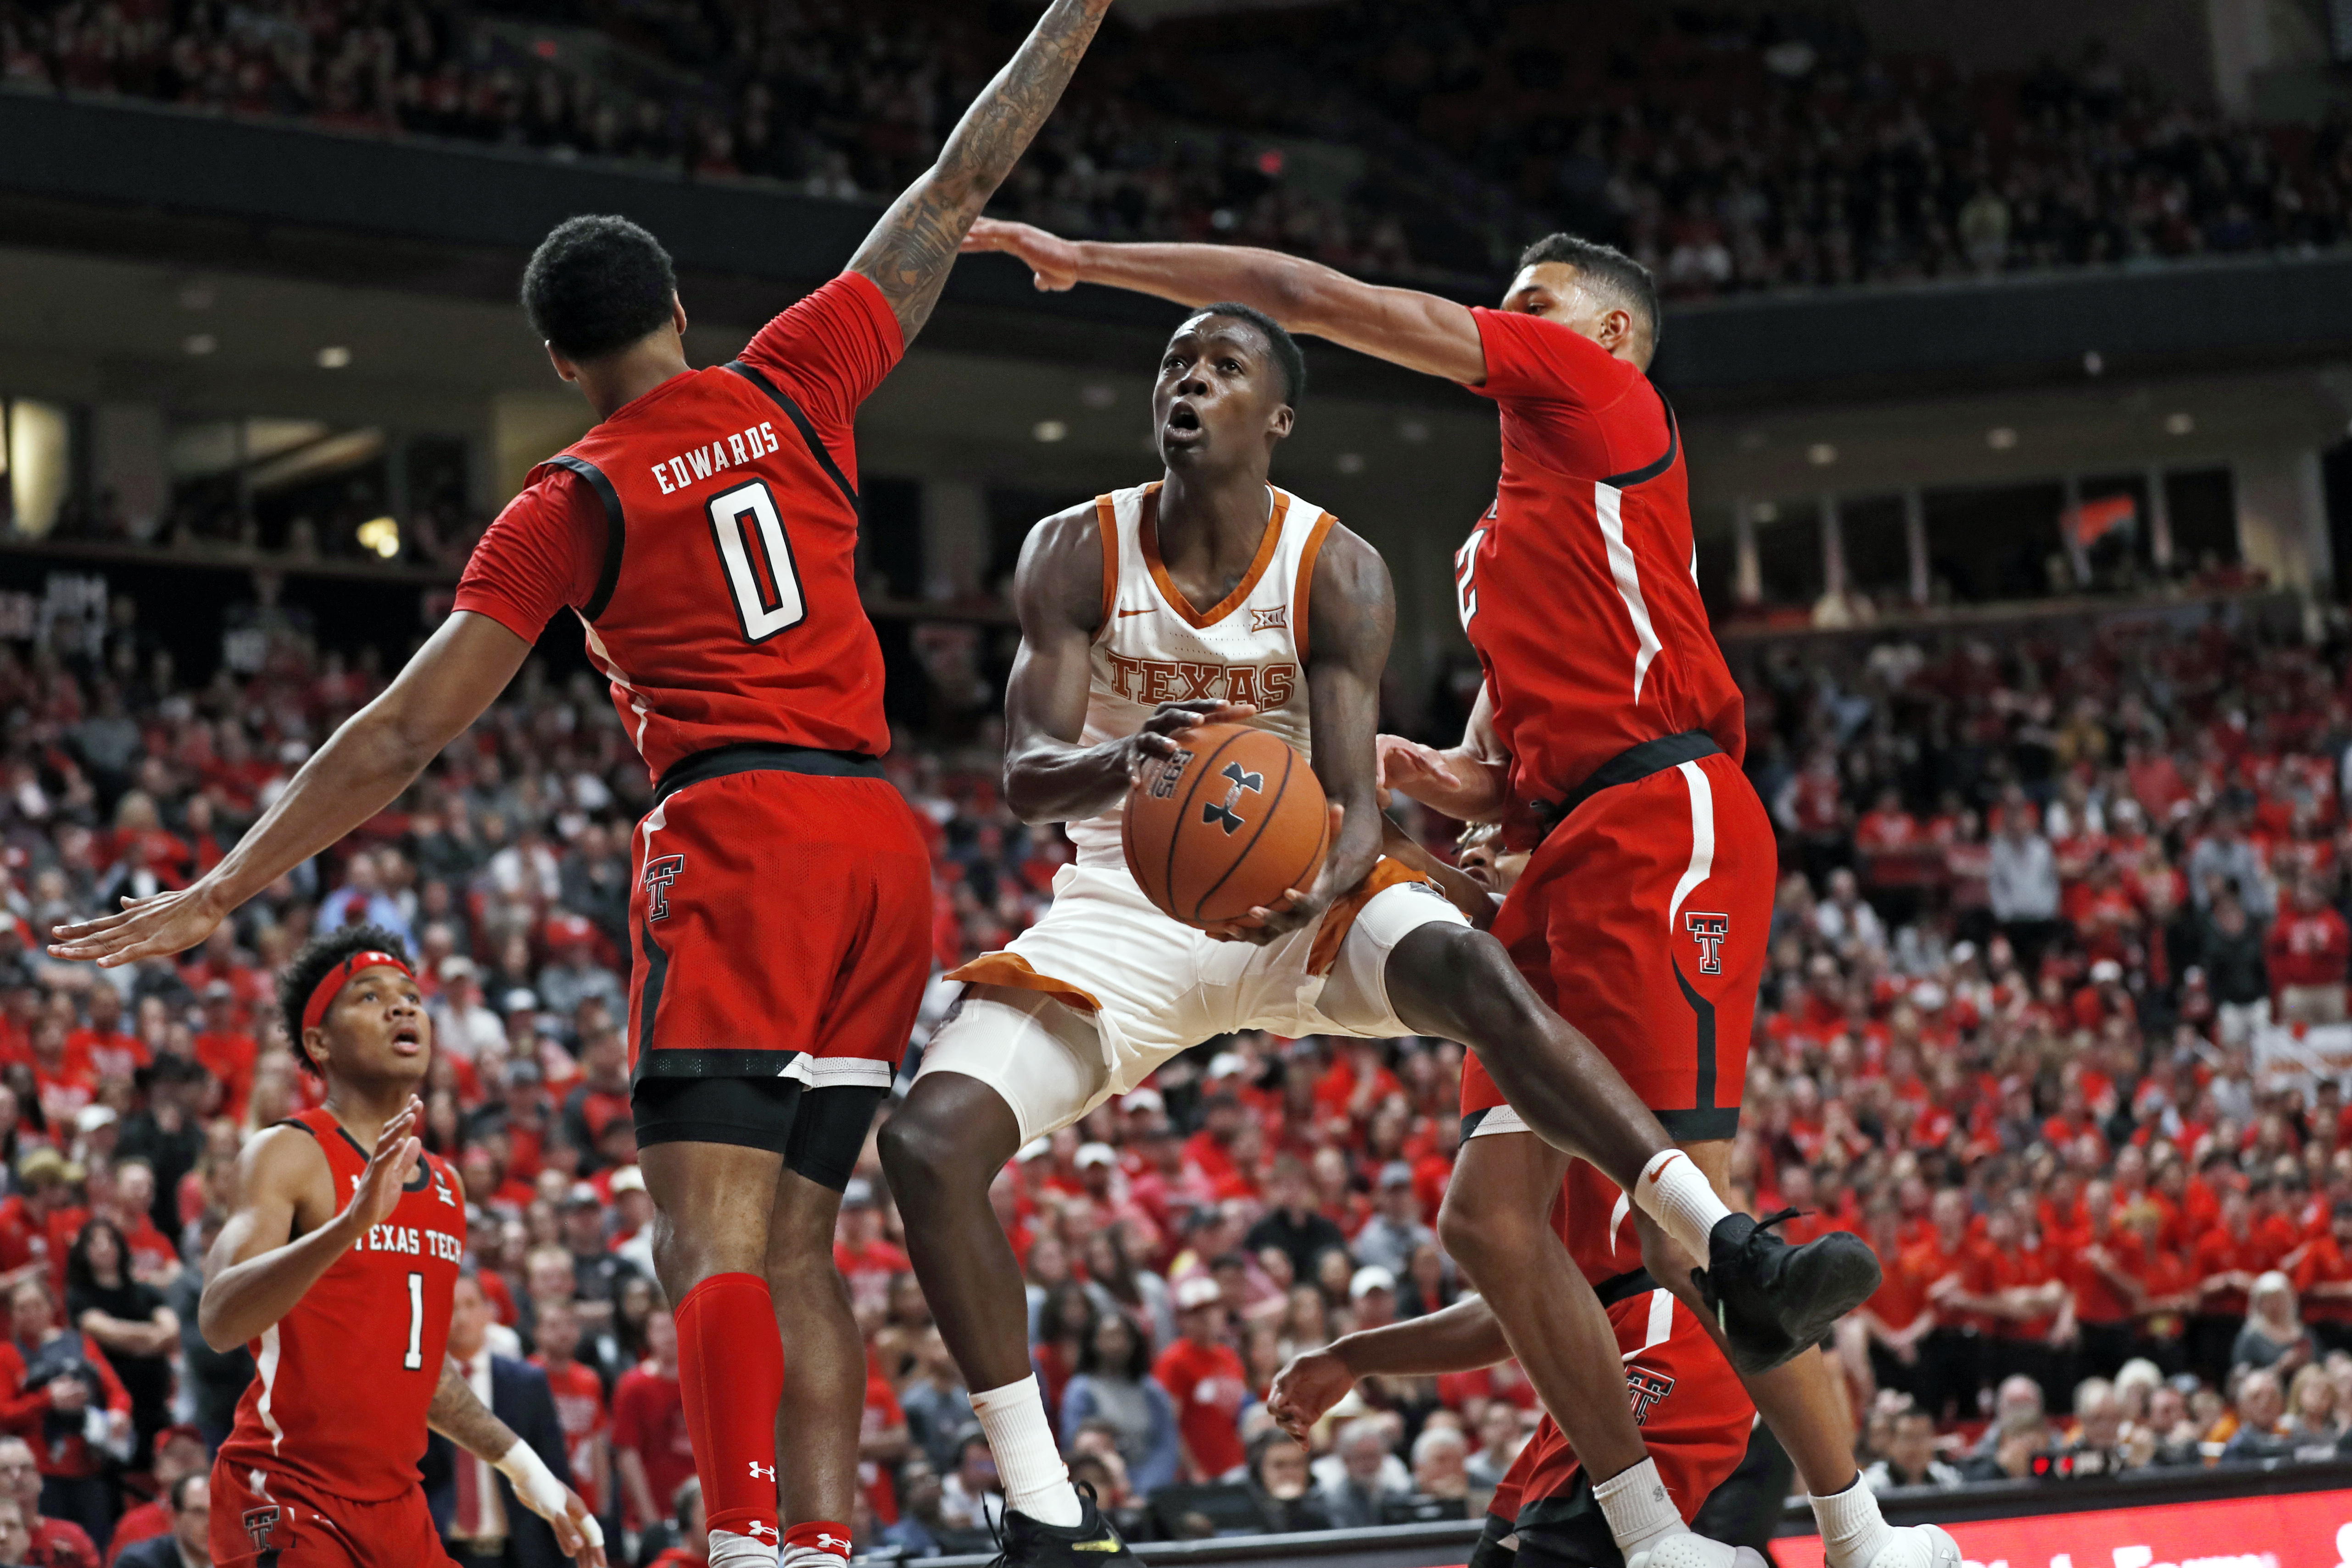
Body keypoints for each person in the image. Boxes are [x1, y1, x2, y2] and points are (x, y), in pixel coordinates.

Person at [46, 1, 1127, 1560]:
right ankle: (815, 1548)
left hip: (741, 829)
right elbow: (954, 186)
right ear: (680, 309)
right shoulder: (794, 377)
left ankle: (749, 1543)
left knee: (711, 1241)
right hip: (882, 845)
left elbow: (402, 735)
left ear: (560, 361)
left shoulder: (570, 498)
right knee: (807, 1246)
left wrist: (224, 885)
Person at [957, 214, 1947, 1568]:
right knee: (1484, 1219)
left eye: (1533, 299)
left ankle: (1865, 1531)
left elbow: (1301, 289)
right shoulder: (1497, 544)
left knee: (1679, 1229)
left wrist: (1091, 261)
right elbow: (1494, 779)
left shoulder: (1602, 396)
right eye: (1506, 298)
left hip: (1664, 814)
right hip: (1563, 842)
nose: (1506, 312)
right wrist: (1423, 773)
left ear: (1601, 336)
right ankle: (1647, 1530)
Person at [121, 927, 597, 1568]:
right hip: (286, 1488)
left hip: (399, 1505)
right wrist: (347, 1224)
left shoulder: (447, 1186)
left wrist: (526, 1469)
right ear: (319, 1043)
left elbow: (417, 1366)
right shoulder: (287, 1150)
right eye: (369, 997)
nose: (402, 1007)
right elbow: (219, 1317)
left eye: (410, 995)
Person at [1268, 1155, 1755, 1568]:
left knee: (1565, 1546)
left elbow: (1482, 1242)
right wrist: (1351, 1357)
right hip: (1595, 1349)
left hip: (1665, 1320)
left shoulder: (1540, 1071)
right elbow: (1517, 1301)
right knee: (1501, 1553)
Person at [424, 1273, 579, 1568]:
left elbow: (554, 1469)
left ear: (490, 1312)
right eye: (451, 1306)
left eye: (471, 1305)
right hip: (442, 1552)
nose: (462, 1316)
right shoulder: (421, 1386)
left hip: (518, 1554)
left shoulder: (527, 1382)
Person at [0, 1278, 129, 1548]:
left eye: (37, 1304)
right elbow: (4, 1413)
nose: (31, 1313)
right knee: (49, 1545)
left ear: (51, 1307)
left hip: (89, 1461)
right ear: (12, 1316)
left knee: (95, 1544)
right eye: (22, 1308)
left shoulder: (80, 1344)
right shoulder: (7, 1355)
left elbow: (117, 1392)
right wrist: (47, 1399)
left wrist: (118, 1415)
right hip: (39, 1472)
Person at [62, 1220, 173, 1470]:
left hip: (155, 1400)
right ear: (83, 1252)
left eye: (110, 1240)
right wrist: (150, 1339)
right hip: (111, 1403)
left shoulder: (146, 1290)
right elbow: (105, 1331)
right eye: (95, 1242)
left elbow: (172, 1331)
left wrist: (134, 1341)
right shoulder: (80, 1295)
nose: (104, 1248)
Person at [1057, 1315, 1179, 1496]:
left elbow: (1166, 1445)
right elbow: (1076, 1446)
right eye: (1107, 1337)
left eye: (1122, 1336)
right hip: (1102, 1490)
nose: (1115, 1344)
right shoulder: (1081, 1390)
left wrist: (1147, 1490)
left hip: (1151, 1488)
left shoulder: (1151, 1391)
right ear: (1092, 1342)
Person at [1240, 1430, 1331, 1535]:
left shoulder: (1331, 1507)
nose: (1289, 1473)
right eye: (1279, 1465)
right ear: (1259, 1471)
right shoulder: (1241, 1511)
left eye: (1297, 1464)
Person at [102, 1477, 204, 1568]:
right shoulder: (138, 1560)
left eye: (216, 1512)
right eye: (198, 1512)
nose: (209, 1522)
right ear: (175, 1517)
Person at [1860, 1410, 1960, 1494]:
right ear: (1891, 1443)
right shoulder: (1871, 1486)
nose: (1916, 1446)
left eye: (1922, 1437)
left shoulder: (1947, 1480)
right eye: (1908, 1437)